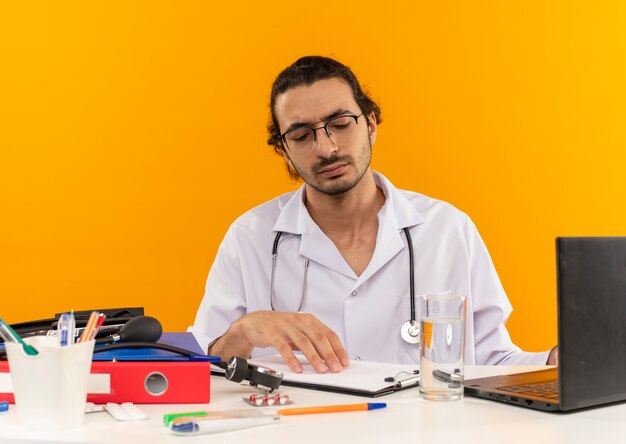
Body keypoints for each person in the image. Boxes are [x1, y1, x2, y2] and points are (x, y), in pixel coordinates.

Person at [189, 55, 557, 374]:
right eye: (301, 136)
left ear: (371, 124)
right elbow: (200, 368)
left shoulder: (448, 230)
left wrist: (555, 361)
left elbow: (489, 360)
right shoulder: (249, 238)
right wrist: (241, 332)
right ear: (284, 151)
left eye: (340, 124)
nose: (326, 148)